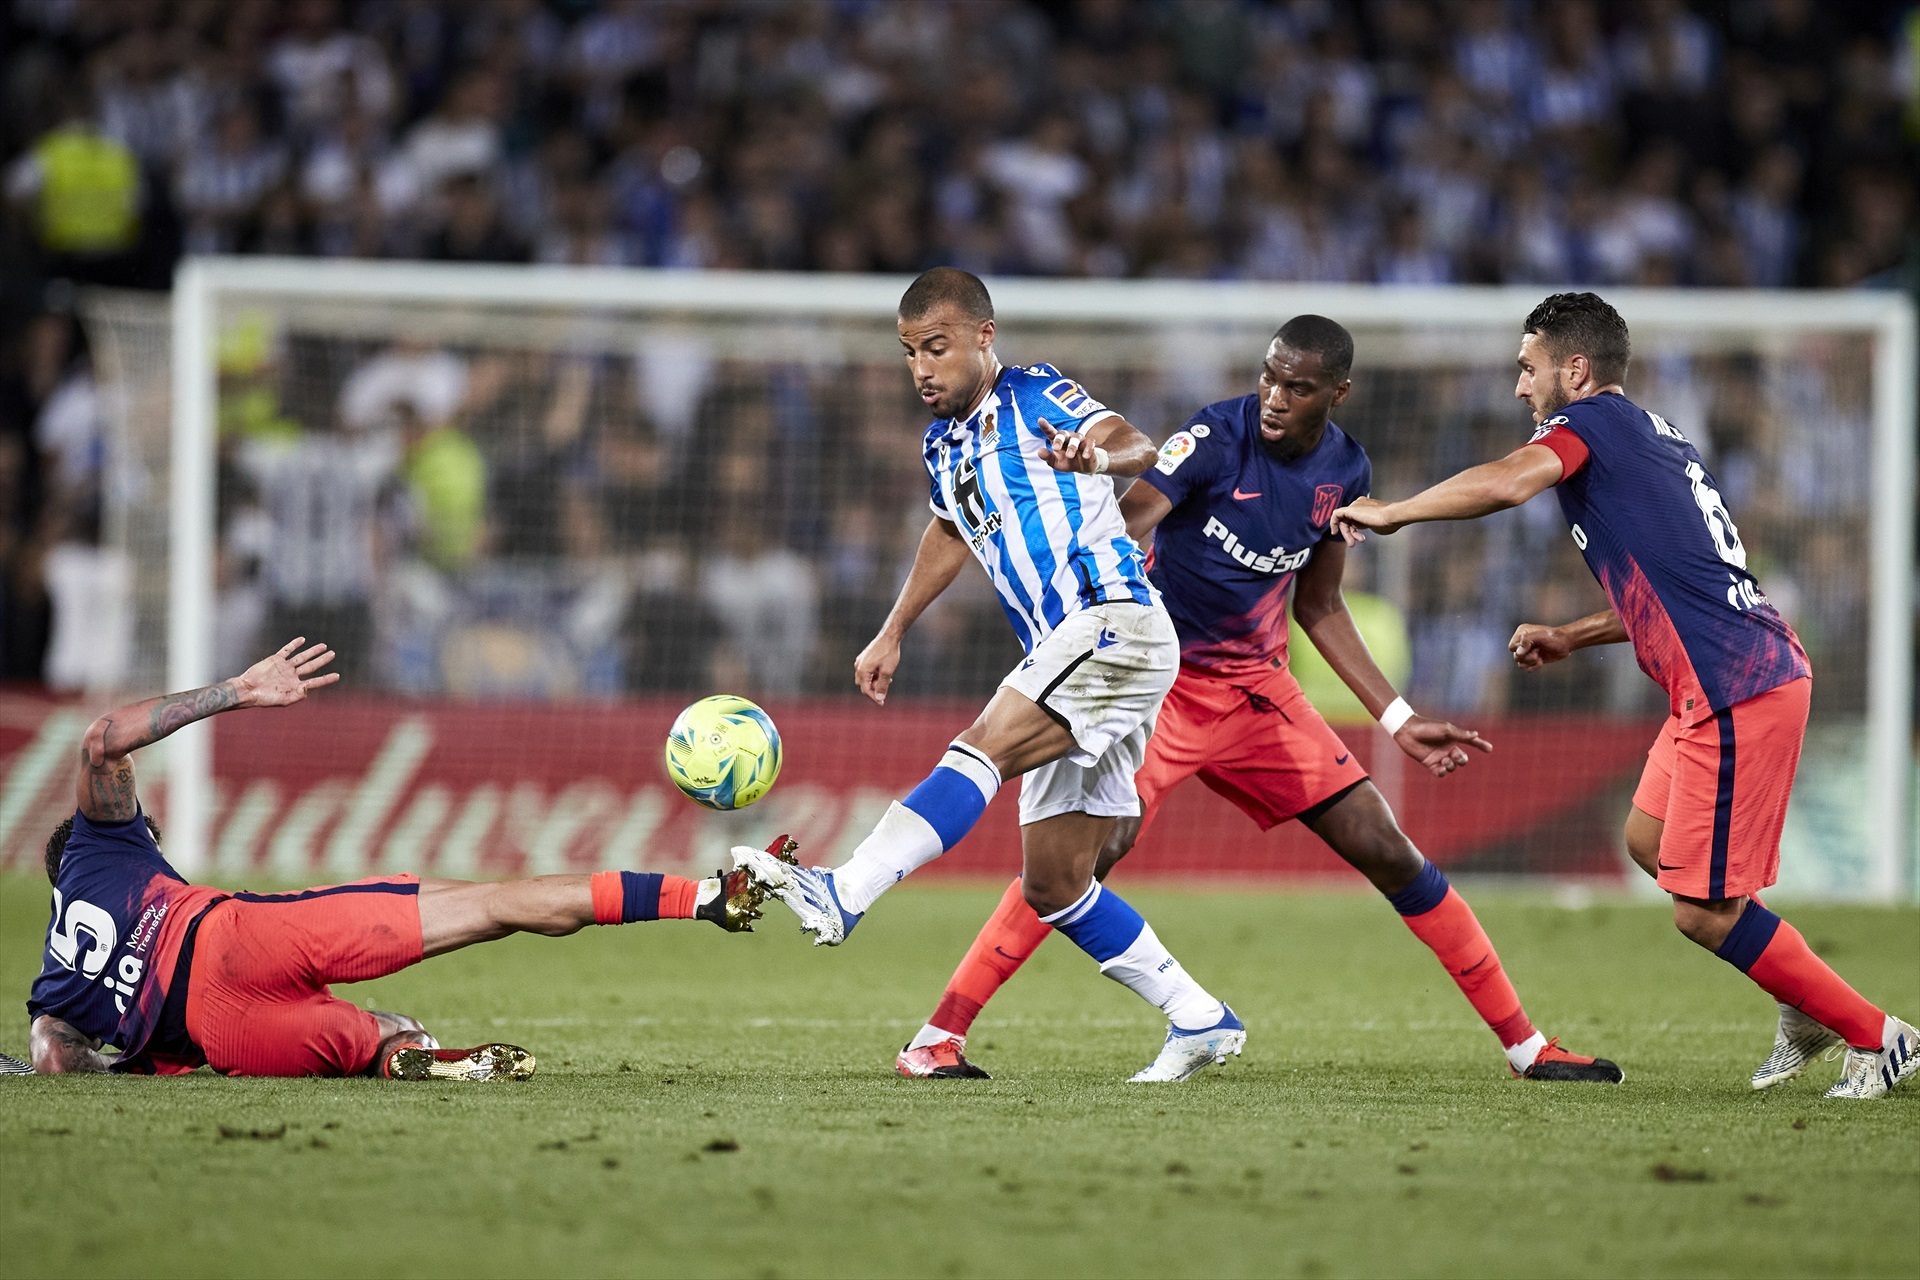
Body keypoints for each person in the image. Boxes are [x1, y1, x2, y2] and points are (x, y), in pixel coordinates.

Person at [897, 317, 1622, 1084]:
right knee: (1081, 859)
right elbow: (1131, 517)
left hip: (1257, 694)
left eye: (1298, 387)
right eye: (1270, 377)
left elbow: (1322, 608)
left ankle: (1526, 1047)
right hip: (1162, 688)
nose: (1274, 397)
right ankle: (940, 1036)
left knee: (1388, 849)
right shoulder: (1213, 437)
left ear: (1336, 394)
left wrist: (1398, 718)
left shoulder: (1346, 470)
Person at [1330, 291, 1916, 1100]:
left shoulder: (1592, 426)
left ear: (1577, 369)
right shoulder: (1653, 436)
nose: (1518, 388)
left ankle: (1878, 1035)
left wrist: (1395, 511)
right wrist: (1572, 634)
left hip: (1738, 686)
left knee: (1702, 910)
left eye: (1528, 369)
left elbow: (1508, 484)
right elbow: (1676, 585)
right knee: (1649, 839)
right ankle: (1805, 1005)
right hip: (1712, 682)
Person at [735, 268, 1243, 1083]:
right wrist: (893, 629)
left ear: (984, 336)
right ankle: (1199, 1017)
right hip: (1072, 645)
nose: (922, 369)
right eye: (909, 354)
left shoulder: (1037, 395)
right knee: (1056, 882)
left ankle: (848, 889)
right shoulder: (943, 443)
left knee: (981, 746)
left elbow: (1137, 443)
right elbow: (951, 531)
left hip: (1113, 619)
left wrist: (1096, 456)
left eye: (936, 348)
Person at [27, 639, 781, 1080]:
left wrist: (129, 1059)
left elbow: (56, 1056)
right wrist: (239, 691)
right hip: (232, 937)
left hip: (215, 1033)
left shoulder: (53, 992)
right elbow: (101, 737)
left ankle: (416, 1055)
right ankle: (705, 898)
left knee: (384, 1042)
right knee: (492, 907)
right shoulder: (105, 842)